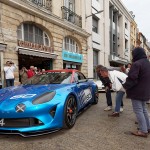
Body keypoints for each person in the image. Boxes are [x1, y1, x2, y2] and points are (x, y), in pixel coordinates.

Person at [123, 47, 150, 137]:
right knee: (144, 109)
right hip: (146, 90)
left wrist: (125, 86)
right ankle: (147, 127)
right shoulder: (147, 63)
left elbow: (132, 78)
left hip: (137, 91)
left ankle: (143, 130)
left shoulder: (137, 64)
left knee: (138, 110)